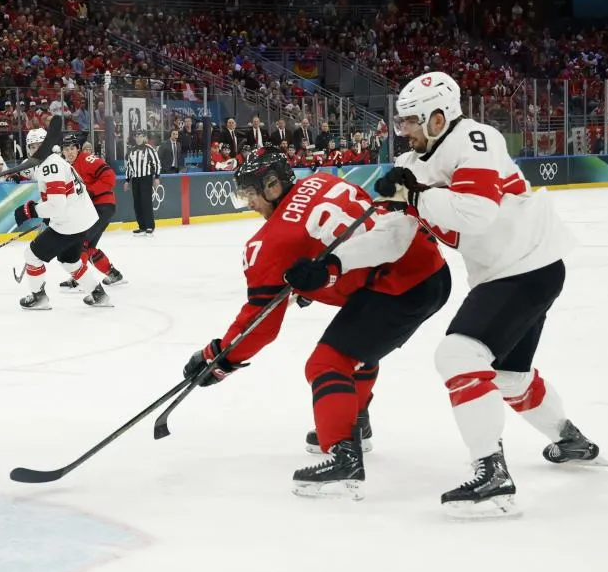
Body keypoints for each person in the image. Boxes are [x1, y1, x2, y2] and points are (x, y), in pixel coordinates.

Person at [361, 70, 607, 517]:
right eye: (402, 123)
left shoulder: (476, 138)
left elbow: (475, 213)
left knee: (458, 356)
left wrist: (413, 198)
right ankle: (571, 439)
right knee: (510, 377)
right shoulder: (414, 165)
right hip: (516, 271)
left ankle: (491, 473)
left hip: (525, 266)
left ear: (440, 117)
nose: (405, 131)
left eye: (412, 121)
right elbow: (394, 236)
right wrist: (333, 267)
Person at [182, 148, 450, 500]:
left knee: (326, 363)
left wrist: (218, 357)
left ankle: (343, 456)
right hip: (430, 269)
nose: (248, 203)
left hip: (397, 287)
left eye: (249, 193)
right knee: (359, 347)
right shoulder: (319, 180)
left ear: (273, 186)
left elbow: (260, 323)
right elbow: (352, 228)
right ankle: (356, 422)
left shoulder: (269, 242)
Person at [12, 127, 113, 310]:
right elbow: (60, 199)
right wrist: (47, 214)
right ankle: (98, 294)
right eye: (32, 146)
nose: (36, 149)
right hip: (80, 220)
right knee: (69, 261)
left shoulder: (50, 166)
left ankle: (38, 298)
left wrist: (30, 211)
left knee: (32, 255)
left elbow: (56, 205)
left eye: (39, 145)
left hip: (69, 223)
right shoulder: (56, 161)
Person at [59, 133, 125, 289]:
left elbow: (110, 177)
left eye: (72, 148)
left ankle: (79, 278)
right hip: (91, 209)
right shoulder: (68, 167)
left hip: (102, 206)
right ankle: (114, 274)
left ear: (78, 149)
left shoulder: (87, 159)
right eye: (66, 149)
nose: (69, 152)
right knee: (88, 247)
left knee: (80, 243)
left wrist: (90, 191)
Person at [124, 130, 160, 235]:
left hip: (146, 178)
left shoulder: (149, 149)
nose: (138, 138)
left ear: (144, 137)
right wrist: (127, 180)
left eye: (140, 136)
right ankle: (142, 226)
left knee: (146, 202)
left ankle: (150, 226)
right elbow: (129, 167)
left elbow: (156, 163)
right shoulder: (132, 150)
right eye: (137, 136)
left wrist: (157, 177)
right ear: (135, 138)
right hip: (135, 179)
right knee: (137, 203)